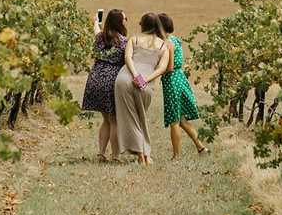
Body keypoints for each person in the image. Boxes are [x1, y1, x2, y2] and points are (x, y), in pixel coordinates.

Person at [114, 12, 170, 165]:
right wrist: (144, 79)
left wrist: (135, 75)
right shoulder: (164, 45)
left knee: (129, 118)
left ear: (142, 25)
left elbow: (128, 58)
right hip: (147, 83)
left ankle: (141, 153)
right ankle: (145, 154)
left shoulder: (134, 39)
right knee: (141, 118)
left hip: (125, 78)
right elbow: (162, 68)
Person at [81, 9, 128, 162]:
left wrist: (96, 21)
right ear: (120, 22)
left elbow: (96, 29)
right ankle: (115, 156)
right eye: (124, 18)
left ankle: (101, 153)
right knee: (114, 120)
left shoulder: (100, 37)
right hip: (111, 81)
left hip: (95, 79)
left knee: (106, 120)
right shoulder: (123, 41)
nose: (126, 19)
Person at [159, 13, 206, 159]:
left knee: (174, 120)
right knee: (181, 120)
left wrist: (157, 72)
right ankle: (201, 147)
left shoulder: (168, 43)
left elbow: (170, 67)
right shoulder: (175, 39)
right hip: (180, 78)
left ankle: (176, 156)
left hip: (172, 81)